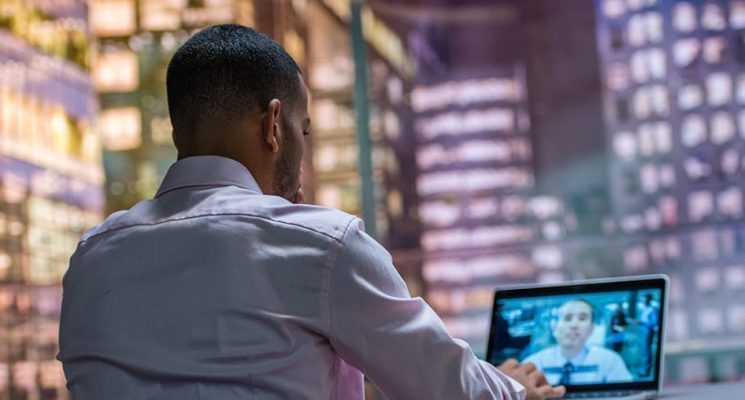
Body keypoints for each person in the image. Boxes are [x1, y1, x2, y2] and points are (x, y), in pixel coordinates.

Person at [56, 25, 565, 400]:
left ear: (177, 136)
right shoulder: (319, 244)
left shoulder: (91, 259)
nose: (303, 150)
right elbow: (447, 388)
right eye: (305, 130)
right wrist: (516, 391)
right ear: (274, 125)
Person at [523, 299, 632, 386]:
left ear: (591, 328)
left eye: (582, 318)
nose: (574, 325)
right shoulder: (533, 364)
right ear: (554, 328)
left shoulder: (610, 361)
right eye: (567, 318)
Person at [638, 294, 659, 376]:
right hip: (643, 331)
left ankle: (647, 372)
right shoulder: (644, 309)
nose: (643, 301)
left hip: (648, 331)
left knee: (647, 351)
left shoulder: (653, 309)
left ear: (649, 300)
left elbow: (653, 323)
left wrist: (642, 323)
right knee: (644, 350)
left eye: (645, 299)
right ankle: (644, 370)